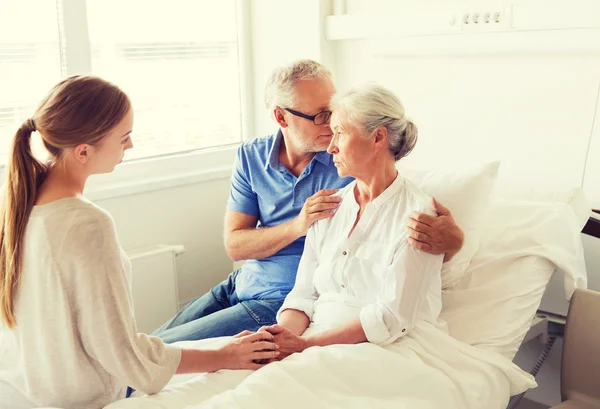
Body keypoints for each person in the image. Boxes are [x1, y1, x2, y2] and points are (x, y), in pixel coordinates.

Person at [0, 75, 277, 409]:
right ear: (83, 151)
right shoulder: (86, 224)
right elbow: (122, 355)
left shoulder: (18, 209)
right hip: (81, 397)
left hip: (22, 392)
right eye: (124, 137)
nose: (129, 146)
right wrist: (223, 354)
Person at [152, 60, 464, 344]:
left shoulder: (349, 165)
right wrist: (299, 225)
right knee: (141, 347)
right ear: (280, 116)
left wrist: (454, 242)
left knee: (158, 356)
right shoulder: (252, 157)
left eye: (334, 116)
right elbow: (235, 245)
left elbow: (392, 217)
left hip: (279, 299)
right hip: (243, 283)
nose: (331, 130)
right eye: (320, 116)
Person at [262, 83, 444, 357]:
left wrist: (304, 346)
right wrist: (280, 338)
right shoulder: (328, 207)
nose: (330, 147)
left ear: (378, 138)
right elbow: (303, 295)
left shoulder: (419, 217)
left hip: (384, 349)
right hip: (314, 340)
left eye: (340, 134)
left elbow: (391, 319)